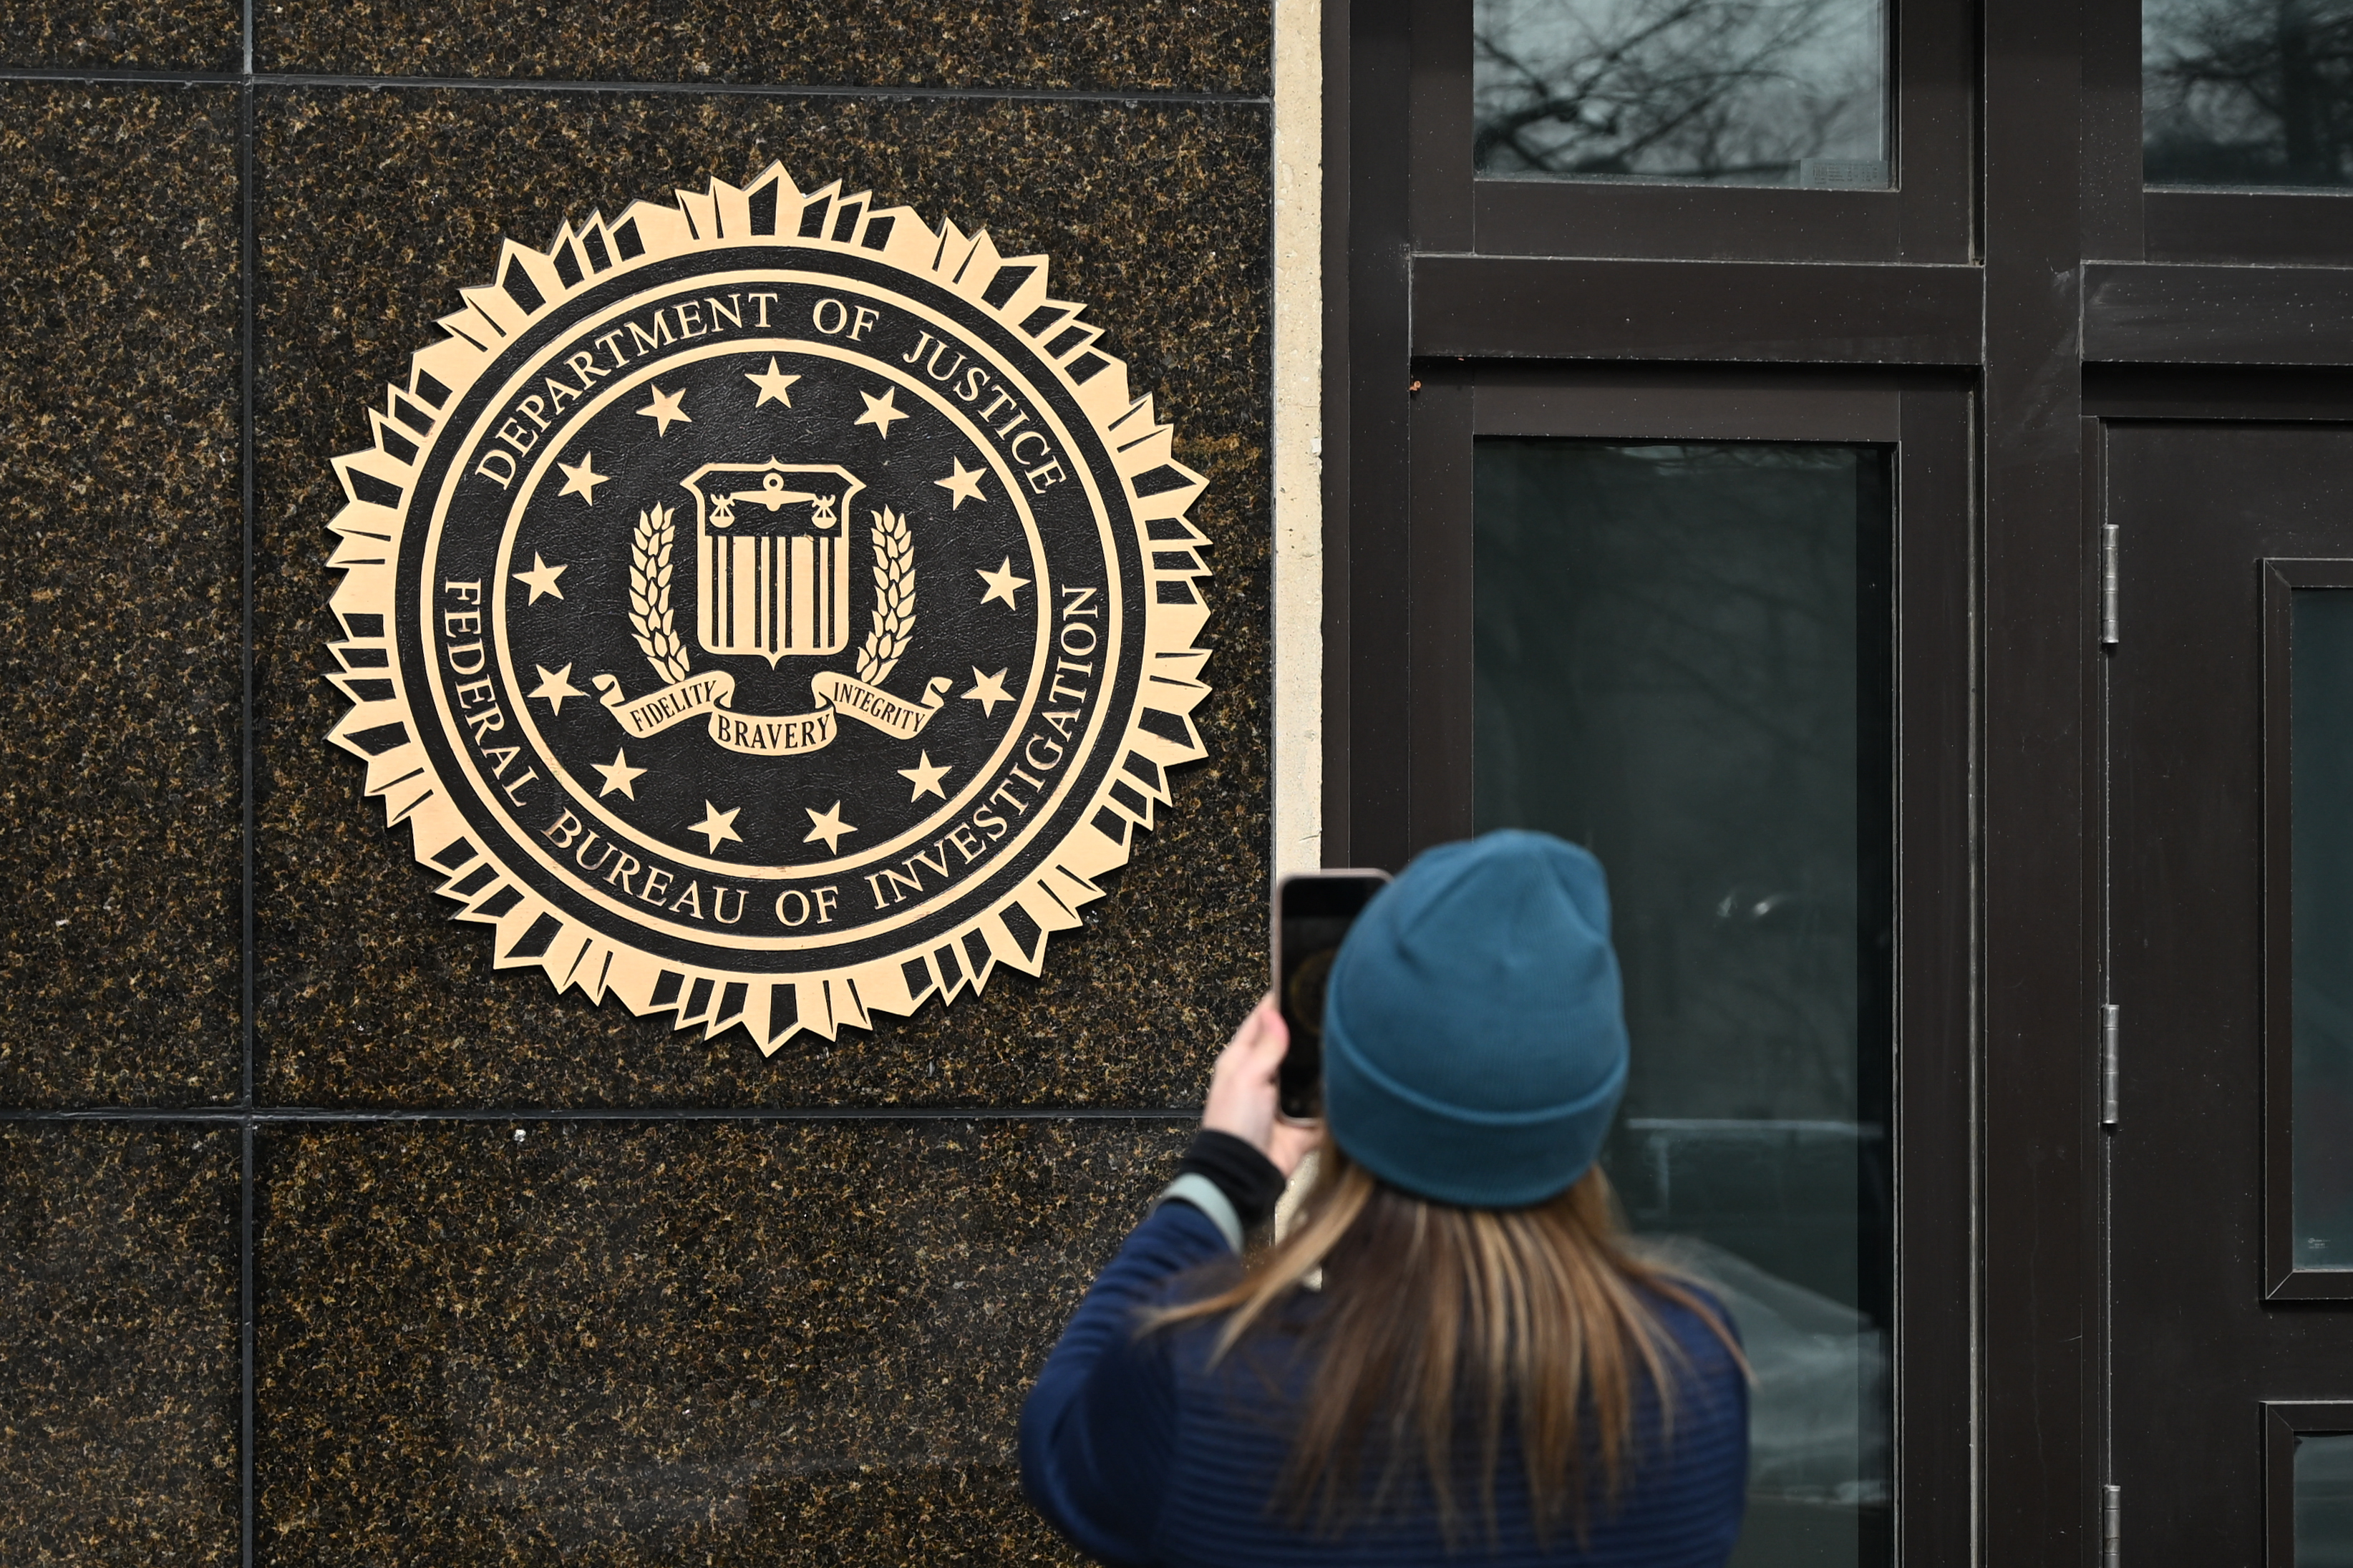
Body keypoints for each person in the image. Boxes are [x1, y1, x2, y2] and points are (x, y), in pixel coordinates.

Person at [1019, 830, 1750, 1566]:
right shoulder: (1691, 1374)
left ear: (1340, 1088)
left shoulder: (1201, 1381)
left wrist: (1222, 1174)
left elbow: (1057, 1440)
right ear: (1589, 1108)